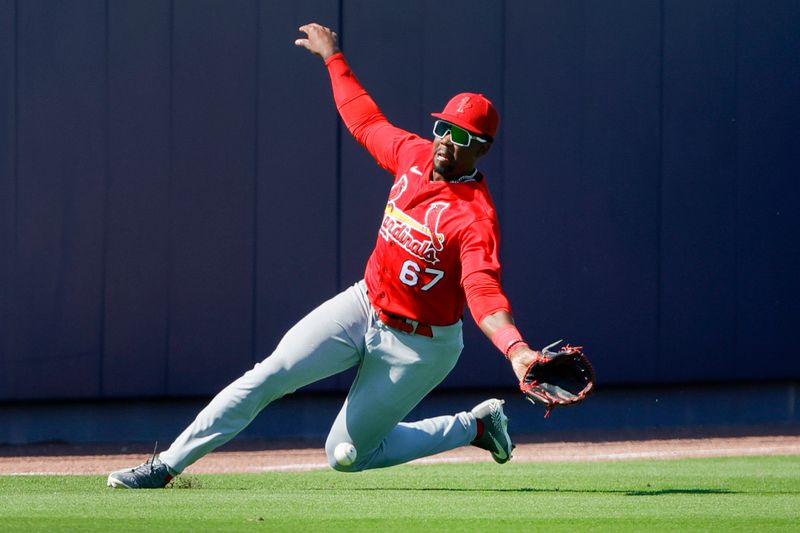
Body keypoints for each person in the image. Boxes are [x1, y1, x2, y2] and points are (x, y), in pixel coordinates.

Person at [107, 22, 540, 489]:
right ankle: (165, 465)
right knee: (270, 374)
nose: (444, 140)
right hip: (364, 304)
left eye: (458, 135)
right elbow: (365, 120)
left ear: (481, 147)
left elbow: (482, 289)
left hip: (420, 346)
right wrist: (333, 59)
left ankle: (474, 427)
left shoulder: (474, 218)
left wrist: (516, 351)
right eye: (442, 127)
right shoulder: (412, 155)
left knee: (346, 455)